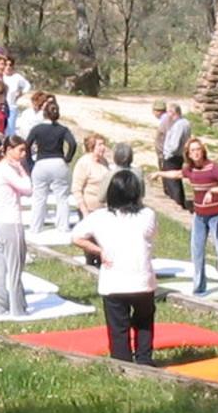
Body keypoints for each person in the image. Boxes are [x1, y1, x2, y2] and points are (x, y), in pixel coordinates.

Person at [72, 168, 160, 363]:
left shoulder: (99, 217)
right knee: (144, 322)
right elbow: (152, 236)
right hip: (142, 279)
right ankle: (145, 360)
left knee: (118, 327)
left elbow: (76, 236)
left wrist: (98, 250)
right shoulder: (147, 215)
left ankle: (122, 362)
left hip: (114, 281)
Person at [182, 138, 218, 298]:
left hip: (216, 217)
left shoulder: (213, 168)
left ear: (203, 150)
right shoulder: (190, 169)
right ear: (188, 154)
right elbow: (177, 174)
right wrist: (159, 173)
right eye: (192, 150)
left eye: (198, 149)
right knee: (197, 252)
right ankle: (199, 289)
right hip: (199, 217)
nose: (196, 153)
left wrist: (213, 191)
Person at [0, 134, 31, 318]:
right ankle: (17, 309)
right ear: (8, 150)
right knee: (14, 268)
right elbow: (28, 189)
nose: (23, 154)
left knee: (0, 267)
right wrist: (22, 170)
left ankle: (0, 306)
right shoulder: (7, 169)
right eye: (20, 150)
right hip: (10, 223)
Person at [26, 99, 78, 233]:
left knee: (39, 197)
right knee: (62, 197)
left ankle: (35, 227)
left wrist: (29, 161)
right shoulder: (62, 129)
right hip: (58, 161)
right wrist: (68, 158)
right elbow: (72, 143)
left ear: (44, 114)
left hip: (42, 162)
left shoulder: (37, 129)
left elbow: (27, 144)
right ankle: (63, 226)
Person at [71, 132, 114, 222]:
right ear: (91, 147)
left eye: (104, 144)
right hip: (89, 210)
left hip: (103, 210)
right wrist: (85, 212)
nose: (103, 148)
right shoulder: (83, 163)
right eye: (100, 145)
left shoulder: (104, 161)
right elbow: (76, 189)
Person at [159, 102, 193, 209]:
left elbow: (174, 144)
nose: (167, 114)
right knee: (177, 181)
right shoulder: (185, 122)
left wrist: (167, 153)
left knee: (172, 181)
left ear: (173, 112)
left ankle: (176, 203)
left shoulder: (179, 125)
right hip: (179, 155)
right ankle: (181, 201)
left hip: (172, 157)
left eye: (169, 111)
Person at [0, 55, 31, 137]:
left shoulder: (17, 77)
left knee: (10, 129)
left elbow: (27, 85)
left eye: (10, 65)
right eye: (6, 64)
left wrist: (20, 94)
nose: (8, 67)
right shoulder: (1, 76)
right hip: (1, 106)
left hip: (11, 106)